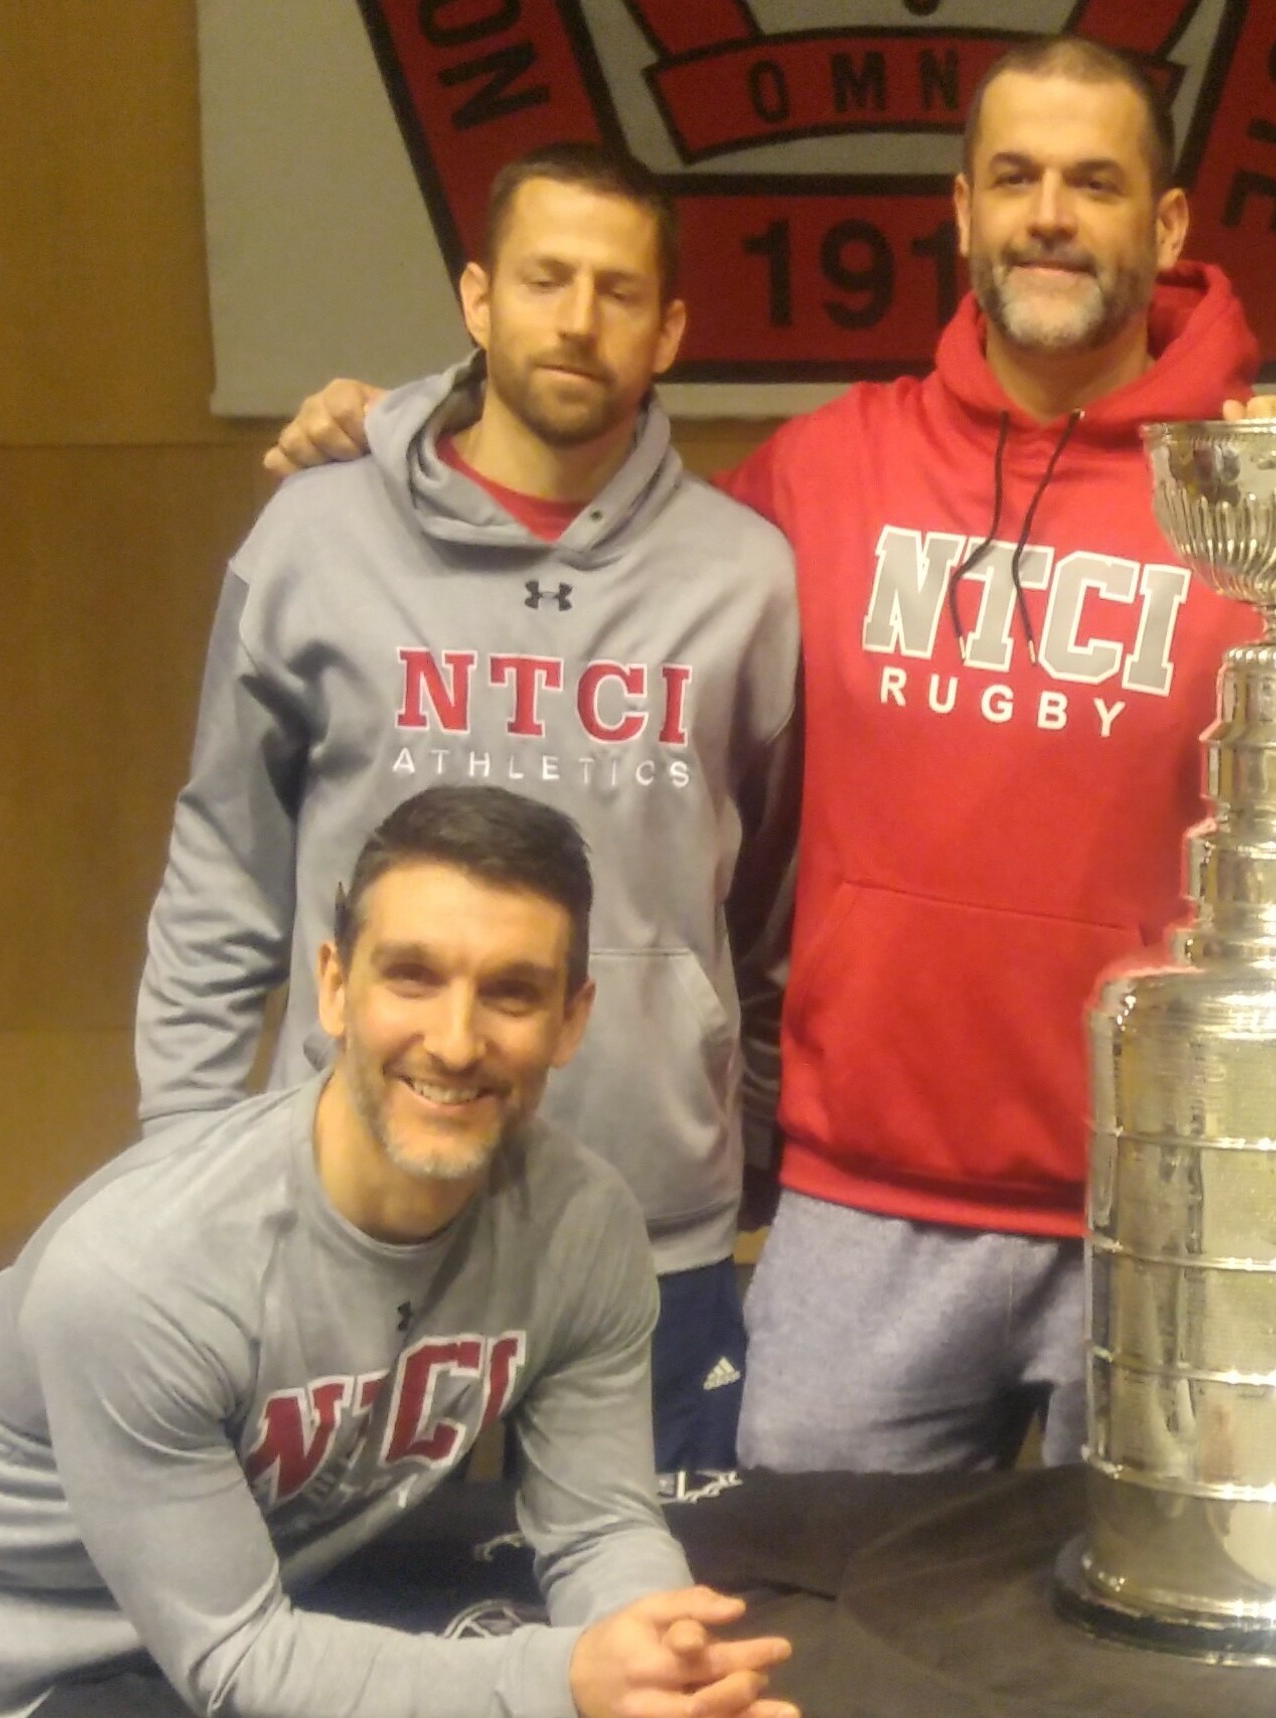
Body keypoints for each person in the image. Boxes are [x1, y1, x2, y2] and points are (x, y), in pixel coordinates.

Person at [265, 34, 1276, 1473]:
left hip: (1192, 1193)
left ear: (1162, 229)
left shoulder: (1262, 484)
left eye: (1093, 182)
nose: (1049, 214)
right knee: (826, 1624)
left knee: (1174, 1657)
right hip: (868, 1208)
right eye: (1015, 178)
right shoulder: (819, 473)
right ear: (959, 209)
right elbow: (592, 558)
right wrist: (412, 425)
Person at [0, 788, 797, 1718]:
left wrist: (666, 1661)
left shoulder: (584, 1227)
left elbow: (598, 1528)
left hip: (154, 1621)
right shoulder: (142, 1270)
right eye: (413, 975)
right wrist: (562, 1679)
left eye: (511, 992)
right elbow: (238, 1660)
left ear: (573, 1017)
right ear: (336, 985)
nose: (453, 1038)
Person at [140, 143, 801, 1472]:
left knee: (649, 1620)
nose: (576, 318)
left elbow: (774, 904)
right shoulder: (315, 541)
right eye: (544, 278)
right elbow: (223, 869)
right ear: (476, 297)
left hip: (643, 1219)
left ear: (669, 329)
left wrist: (751, 1150)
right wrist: (181, 1164)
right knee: (349, 1628)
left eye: (619, 290)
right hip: (353, 1199)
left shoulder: (745, 579)